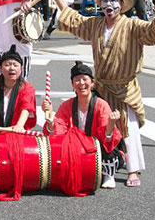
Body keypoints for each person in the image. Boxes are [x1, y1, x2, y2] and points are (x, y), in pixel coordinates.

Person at [52, 0, 155, 188]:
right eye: (104, 0)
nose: (108, 4)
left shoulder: (133, 25)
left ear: (121, 4)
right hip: (102, 86)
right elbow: (74, 20)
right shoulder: (96, 24)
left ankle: (133, 169)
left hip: (124, 87)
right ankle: (101, 166)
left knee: (128, 126)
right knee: (102, 127)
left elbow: (154, 31)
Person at [42, 61, 123, 192]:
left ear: (92, 83)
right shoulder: (67, 105)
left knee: (108, 149)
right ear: (73, 85)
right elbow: (60, 129)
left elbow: (107, 137)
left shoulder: (101, 105)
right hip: (74, 148)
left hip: (96, 148)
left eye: (84, 79)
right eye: (77, 80)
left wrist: (111, 124)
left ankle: (108, 174)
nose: (81, 83)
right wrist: (51, 121)